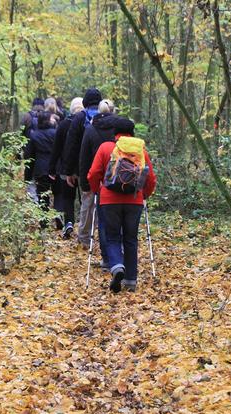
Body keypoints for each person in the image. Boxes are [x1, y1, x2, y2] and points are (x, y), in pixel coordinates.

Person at [87, 121, 157, 293]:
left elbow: (93, 173)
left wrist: (98, 190)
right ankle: (131, 280)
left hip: (109, 200)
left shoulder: (105, 148)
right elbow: (151, 178)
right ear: (132, 133)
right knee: (131, 239)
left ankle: (117, 266)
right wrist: (144, 194)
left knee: (112, 237)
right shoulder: (140, 150)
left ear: (114, 132)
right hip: (134, 201)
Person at [78, 103, 132, 269]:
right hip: (131, 192)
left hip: (106, 190)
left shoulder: (93, 132)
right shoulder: (136, 147)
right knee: (128, 231)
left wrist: (91, 187)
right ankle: (126, 265)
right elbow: (148, 174)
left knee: (104, 224)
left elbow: (88, 164)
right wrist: (144, 192)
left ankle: (108, 259)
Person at [49, 97, 84, 237]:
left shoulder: (63, 125)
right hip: (83, 167)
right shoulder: (86, 124)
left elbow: (56, 148)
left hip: (66, 167)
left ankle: (69, 222)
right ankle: (84, 225)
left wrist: (52, 168)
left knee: (68, 198)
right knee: (84, 198)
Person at [63, 88, 103, 190]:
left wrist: (69, 171)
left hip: (83, 168)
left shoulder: (79, 118)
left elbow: (71, 146)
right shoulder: (106, 117)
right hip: (105, 169)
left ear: (85, 102)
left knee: (87, 201)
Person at [25, 111, 57, 227]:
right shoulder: (55, 133)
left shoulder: (34, 136)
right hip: (55, 169)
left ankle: (44, 223)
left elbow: (30, 156)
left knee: (43, 196)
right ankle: (59, 222)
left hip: (40, 169)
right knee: (58, 195)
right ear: (49, 121)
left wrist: (27, 176)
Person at [22, 98, 45, 202]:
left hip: (29, 153)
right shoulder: (47, 116)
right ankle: (42, 201)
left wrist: (20, 152)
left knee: (29, 177)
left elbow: (20, 135)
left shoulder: (26, 117)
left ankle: (32, 200)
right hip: (43, 154)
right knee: (41, 179)